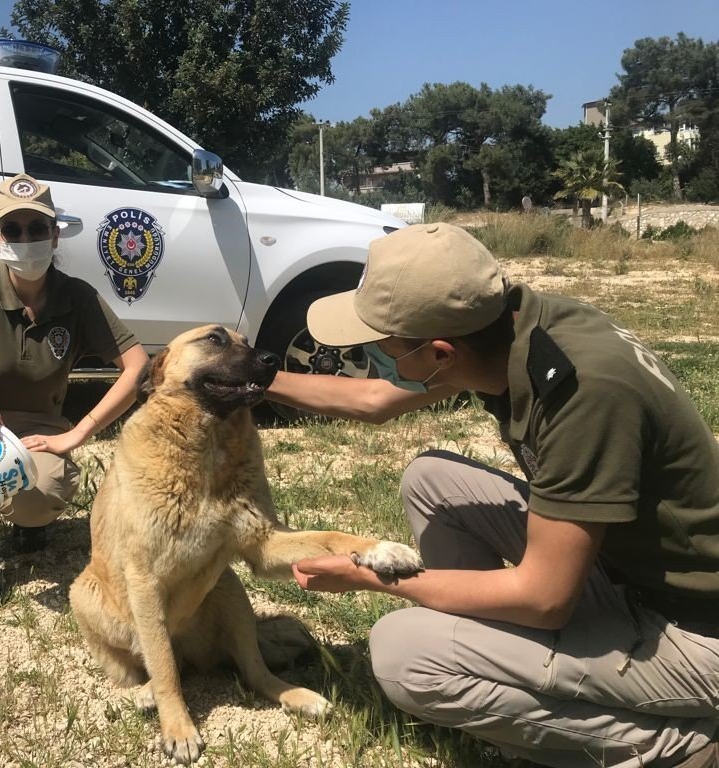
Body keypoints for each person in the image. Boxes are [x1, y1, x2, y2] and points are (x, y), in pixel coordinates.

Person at [267, 223, 719, 768]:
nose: (370, 353)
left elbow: (545, 598)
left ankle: (685, 746)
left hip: (693, 629)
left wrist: (369, 576)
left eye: (379, 344)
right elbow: (372, 398)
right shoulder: (509, 327)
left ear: (438, 354)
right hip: (628, 569)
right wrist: (252, 378)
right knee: (432, 479)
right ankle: (501, 650)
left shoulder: (584, 393)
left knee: (405, 655)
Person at [0, 173, 148, 607]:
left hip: (40, 428)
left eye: (37, 228)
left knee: (40, 501)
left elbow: (138, 367)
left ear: (55, 236)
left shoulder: (78, 297)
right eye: (13, 229)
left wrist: (80, 432)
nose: (25, 238)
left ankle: (27, 519)